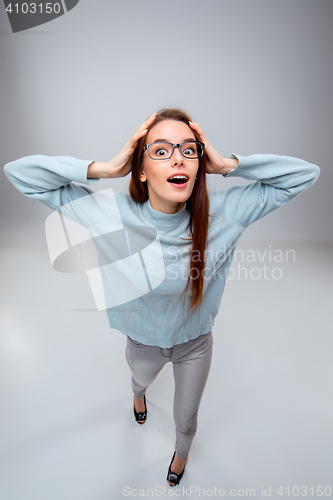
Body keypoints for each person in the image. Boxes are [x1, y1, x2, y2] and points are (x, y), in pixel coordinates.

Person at [4, 108, 320, 486]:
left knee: (186, 417)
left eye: (189, 150)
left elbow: (303, 175)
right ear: (141, 169)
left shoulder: (223, 214)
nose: (177, 158)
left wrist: (226, 165)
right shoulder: (109, 215)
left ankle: (182, 453)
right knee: (140, 379)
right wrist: (105, 168)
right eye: (161, 150)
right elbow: (20, 174)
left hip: (195, 345)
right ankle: (138, 395)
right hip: (143, 341)